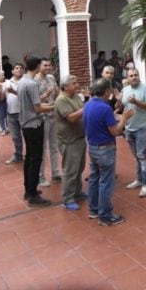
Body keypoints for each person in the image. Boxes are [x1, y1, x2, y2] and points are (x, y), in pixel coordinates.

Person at [85, 78, 134, 226]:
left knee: (94, 178)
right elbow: (115, 131)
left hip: (92, 147)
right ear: (106, 92)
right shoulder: (104, 108)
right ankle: (105, 215)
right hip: (105, 149)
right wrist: (124, 119)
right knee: (106, 181)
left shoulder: (88, 104)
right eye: (111, 90)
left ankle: (93, 209)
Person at [17, 56, 56, 206]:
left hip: (25, 124)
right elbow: (38, 108)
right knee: (35, 159)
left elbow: (34, 103)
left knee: (29, 159)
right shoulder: (32, 84)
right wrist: (54, 106)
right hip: (34, 124)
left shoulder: (22, 81)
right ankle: (33, 195)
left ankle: (28, 190)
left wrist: (48, 102)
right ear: (37, 66)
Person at [53, 75, 87, 211]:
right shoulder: (61, 100)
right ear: (65, 86)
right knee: (70, 170)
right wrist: (86, 108)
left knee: (79, 168)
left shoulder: (76, 96)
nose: (77, 85)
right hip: (69, 140)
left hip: (79, 137)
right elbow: (71, 118)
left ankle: (77, 192)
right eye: (74, 83)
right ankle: (68, 198)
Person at [122, 68, 146, 198]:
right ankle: (139, 179)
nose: (134, 77)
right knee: (136, 156)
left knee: (142, 155)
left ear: (139, 76)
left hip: (143, 127)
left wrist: (136, 102)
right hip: (129, 128)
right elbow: (123, 105)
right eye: (131, 75)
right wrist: (118, 102)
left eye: (136, 75)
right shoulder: (125, 90)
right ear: (127, 78)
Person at [35, 59, 61, 187]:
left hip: (53, 114)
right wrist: (46, 94)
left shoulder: (51, 78)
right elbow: (34, 101)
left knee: (54, 145)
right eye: (45, 65)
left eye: (49, 65)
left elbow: (57, 95)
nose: (48, 67)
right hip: (42, 116)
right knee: (42, 147)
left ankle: (55, 173)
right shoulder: (34, 80)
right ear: (39, 66)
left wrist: (56, 93)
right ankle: (40, 176)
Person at [4, 63, 25, 164]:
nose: (19, 70)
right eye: (16, 68)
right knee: (15, 136)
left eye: (21, 68)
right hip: (11, 112)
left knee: (27, 135)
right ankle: (18, 155)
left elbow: (25, 96)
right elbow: (2, 97)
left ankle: (30, 155)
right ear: (12, 71)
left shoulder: (26, 82)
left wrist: (13, 91)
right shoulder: (7, 82)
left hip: (23, 112)